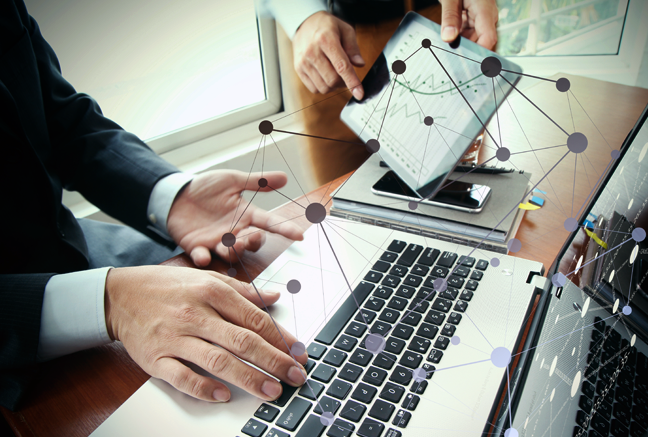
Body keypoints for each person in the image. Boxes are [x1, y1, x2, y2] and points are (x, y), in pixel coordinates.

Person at [0, 0, 308, 411]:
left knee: (248, 287)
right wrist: (108, 301)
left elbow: (65, 119)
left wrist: (173, 198)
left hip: (71, 243)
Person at [260, 0, 499, 185]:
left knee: (454, 210)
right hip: (322, 44)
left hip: (436, 29)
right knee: (343, 222)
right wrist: (300, 14)